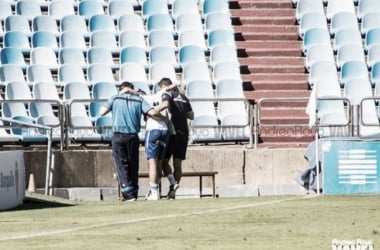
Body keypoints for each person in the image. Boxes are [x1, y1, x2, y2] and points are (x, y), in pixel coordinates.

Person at [99, 81, 159, 202]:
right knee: (133, 164)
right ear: (132, 89)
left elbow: (101, 112)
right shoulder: (139, 100)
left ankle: (128, 193)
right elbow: (152, 113)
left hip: (118, 135)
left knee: (121, 165)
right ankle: (134, 192)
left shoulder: (114, 98)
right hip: (133, 136)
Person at [156, 78, 194, 199]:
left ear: (164, 86)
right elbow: (191, 116)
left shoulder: (168, 95)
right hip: (184, 134)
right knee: (178, 164)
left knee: (162, 162)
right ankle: (173, 192)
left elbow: (166, 108)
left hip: (172, 133)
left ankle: (170, 184)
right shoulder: (184, 97)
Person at [141, 82, 171, 201]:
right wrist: (164, 118)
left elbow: (150, 115)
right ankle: (155, 190)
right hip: (164, 131)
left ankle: (154, 192)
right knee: (159, 163)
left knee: (152, 162)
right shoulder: (162, 94)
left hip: (153, 131)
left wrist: (154, 112)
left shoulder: (144, 99)